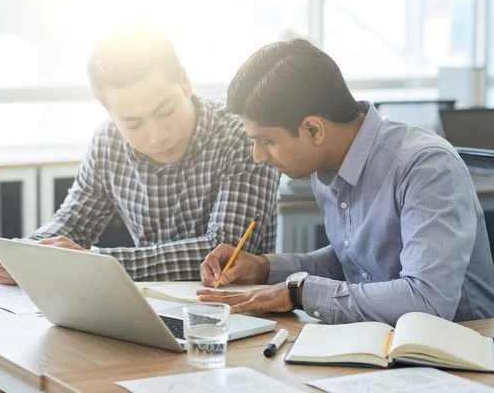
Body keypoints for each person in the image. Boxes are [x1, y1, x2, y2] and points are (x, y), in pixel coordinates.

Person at [198, 38, 494, 325]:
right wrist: (264, 268)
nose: (258, 156)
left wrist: (301, 293)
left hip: (458, 353)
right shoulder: (324, 167)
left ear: (313, 130)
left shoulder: (426, 166)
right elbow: (354, 263)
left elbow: (428, 301)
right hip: (378, 342)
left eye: (266, 140)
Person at [0, 24, 280, 285]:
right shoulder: (108, 140)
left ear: (185, 81)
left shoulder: (242, 136)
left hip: (233, 312)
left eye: (166, 110)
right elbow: (73, 223)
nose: (157, 135)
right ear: (110, 114)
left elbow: (224, 251)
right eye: (133, 123)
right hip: (145, 305)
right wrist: (24, 254)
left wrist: (98, 264)